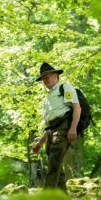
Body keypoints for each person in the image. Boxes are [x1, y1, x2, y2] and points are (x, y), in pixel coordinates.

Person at [32, 62, 81, 191]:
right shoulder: (48, 97)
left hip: (64, 128)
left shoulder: (65, 87)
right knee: (55, 164)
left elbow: (77, 108)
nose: (46, 79)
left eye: (49, 76)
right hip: (52, 131)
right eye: (44, 78)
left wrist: (73, 128)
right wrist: (40, 142)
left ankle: (47, 198)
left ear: (56, 76)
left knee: (54, 164)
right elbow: (50, 124)